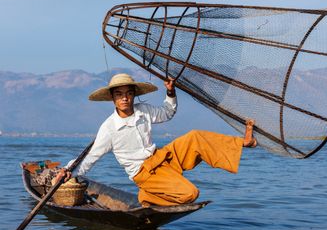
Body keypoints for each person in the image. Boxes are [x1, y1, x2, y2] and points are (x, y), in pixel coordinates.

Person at [60, 73, 257, 207]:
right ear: (113, 98)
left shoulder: (143, 111)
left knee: (195, 137)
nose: (125, 98)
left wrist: (170, 92)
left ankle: (243, 142)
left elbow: (167, 112)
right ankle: (147, 195)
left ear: (134, 95)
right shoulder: (109, 128)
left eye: (129, 93)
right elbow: (90, 157)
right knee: (190, 194)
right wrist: (69, 171)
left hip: (161, 157)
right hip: (145, 174)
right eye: (119, 94)